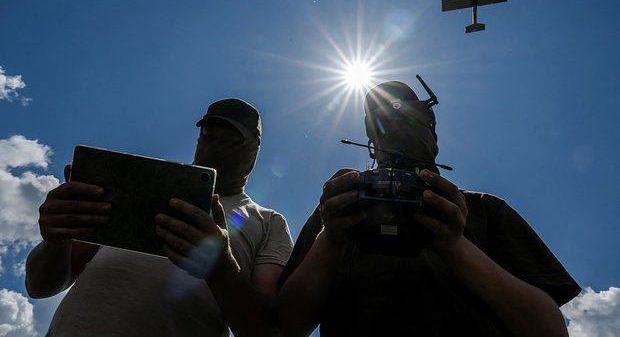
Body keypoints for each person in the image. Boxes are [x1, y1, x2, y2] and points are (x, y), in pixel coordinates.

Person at [278, 80, 581, 336]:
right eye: (384, 123)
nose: (397, 127)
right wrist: (330, 240)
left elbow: (550, 328)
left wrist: (455, 245)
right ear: (371, 143)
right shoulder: (338, 212)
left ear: (432, 133)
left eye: (410, 118)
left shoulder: (484, 210)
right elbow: (285, 326)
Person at [25, 98, 293, 337]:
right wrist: (55, 240)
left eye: (232, 140)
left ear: (255, 148)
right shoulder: (141, 186)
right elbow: (39, 285)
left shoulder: (269, 222)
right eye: (210, 136)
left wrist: (221, 266)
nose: (217, 148)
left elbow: (268, 330)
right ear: (199, 138)